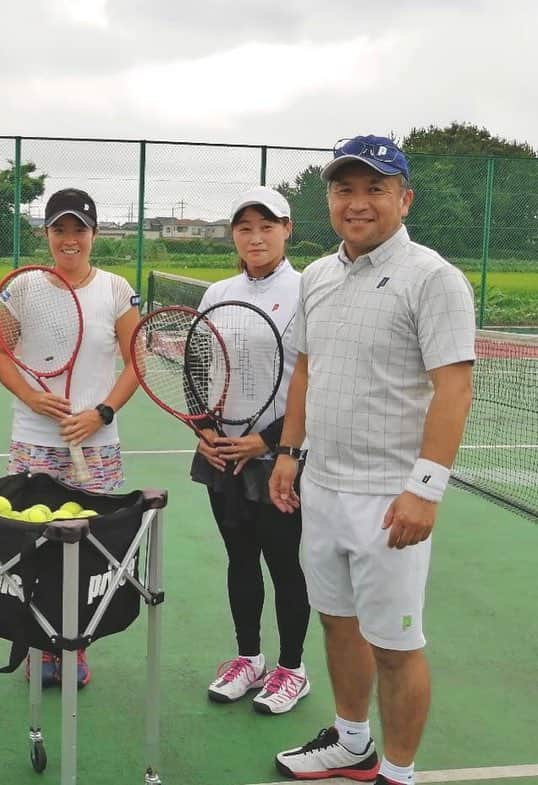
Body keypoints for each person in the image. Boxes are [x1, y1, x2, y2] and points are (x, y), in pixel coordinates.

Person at [268, 136, 475, 785]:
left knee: (395, 644)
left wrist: (425, 488)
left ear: (403, 196)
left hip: (391, 497)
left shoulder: (434, 277)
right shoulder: (318, 277)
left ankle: (398, 771)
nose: (357, 203)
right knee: (337, 621)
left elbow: (455, 386)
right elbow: (306, 368)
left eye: (374, 188)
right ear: (329, 198)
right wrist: (288, 453)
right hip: (322, 488)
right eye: (344, 189)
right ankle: (352, 742)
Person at [0, 187, 140, 688]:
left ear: (94, 234)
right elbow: (1, 356)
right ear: (47, 234)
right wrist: (33, 398)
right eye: (60, 229)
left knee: (89, 547)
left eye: (79, 229)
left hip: (96, 444)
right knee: (33, 544)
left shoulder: (117, 290)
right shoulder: (25, 288)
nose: (70, 239)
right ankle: (39, 645)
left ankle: (74, 646)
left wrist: (101, 412)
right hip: (33, 440)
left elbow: (135, 363)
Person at [191, 187, 311, 715]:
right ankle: (248, 658)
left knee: (284, 563)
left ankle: (292, 668)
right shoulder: (216, 293)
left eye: (267, 226)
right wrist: (203, 430)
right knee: (240, 559)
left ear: (287, 230)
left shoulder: (309, 291)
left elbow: (317, 381)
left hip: (281, 456)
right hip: (223, 455)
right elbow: (197, 367)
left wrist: (268, 440)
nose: (255, 237)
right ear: (233, 235)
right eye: (244, 228)